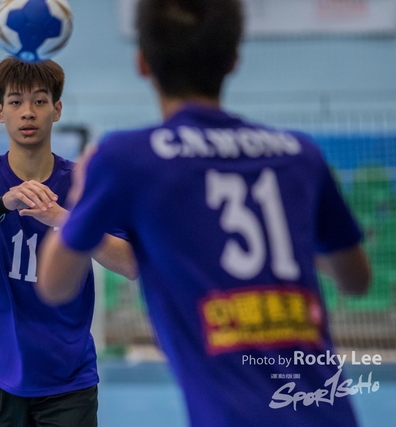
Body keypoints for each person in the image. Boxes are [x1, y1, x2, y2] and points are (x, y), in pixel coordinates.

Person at [36, 1, 372, 427]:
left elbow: (54, 285)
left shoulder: (127, 159)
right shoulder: (299, 154)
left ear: (142, 63)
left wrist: (80, 196)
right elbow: (356, 280)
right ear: (234, 61)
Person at [0, 56, 136, 427]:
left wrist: (65, 220)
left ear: (57, 110)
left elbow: (132, 263)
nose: (28, 112)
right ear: (0, 112)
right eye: (15, 102)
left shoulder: (84, 183)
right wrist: (2, 205)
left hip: (69, 374)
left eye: (40, 101)